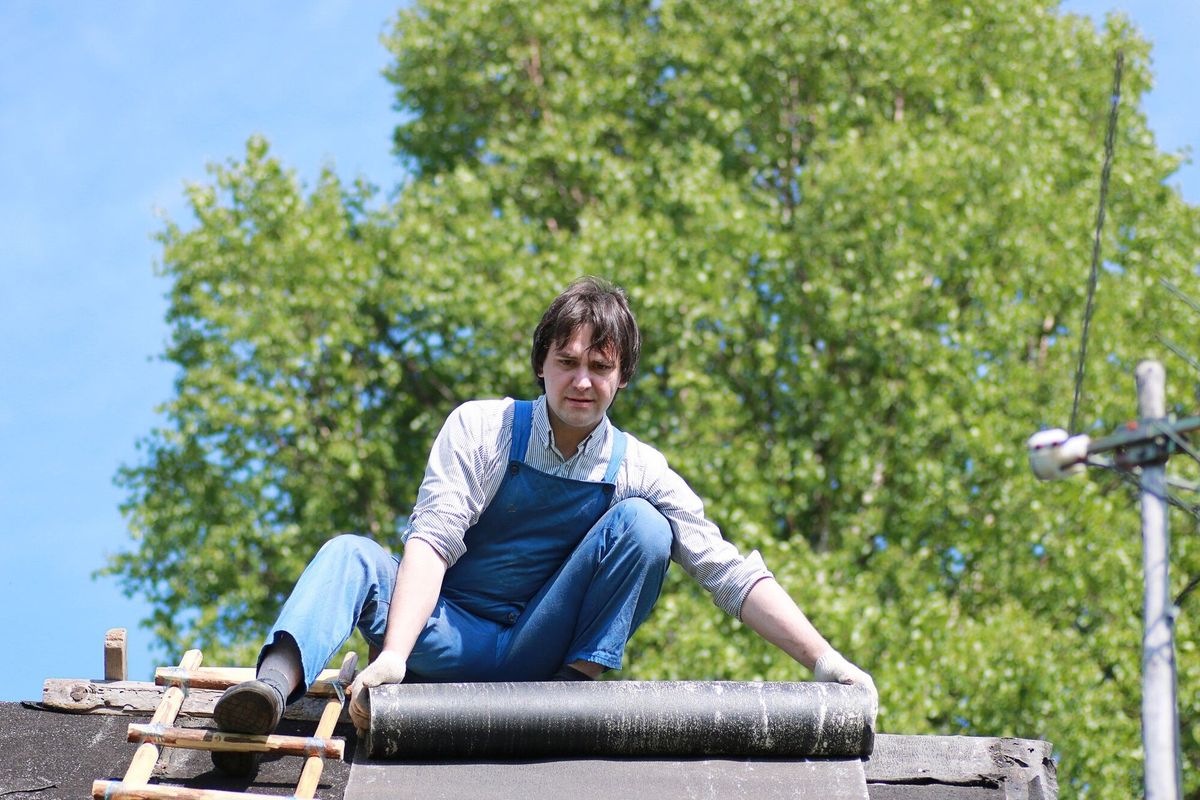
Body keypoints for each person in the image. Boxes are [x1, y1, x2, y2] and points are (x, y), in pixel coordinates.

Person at [210, 277, 876, 775]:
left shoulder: (639, 467)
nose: (581, 381)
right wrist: (392, 659)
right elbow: (432, 543)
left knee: (645, 527)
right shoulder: (484, 427)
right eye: (568, 362)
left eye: (600, 367)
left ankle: (569, 698)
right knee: (350, 552)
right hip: (442, 634)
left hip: (538, 656)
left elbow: (727, 572)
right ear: (542, 364)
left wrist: (828, 662)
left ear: (622, 377)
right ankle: (267, 692)